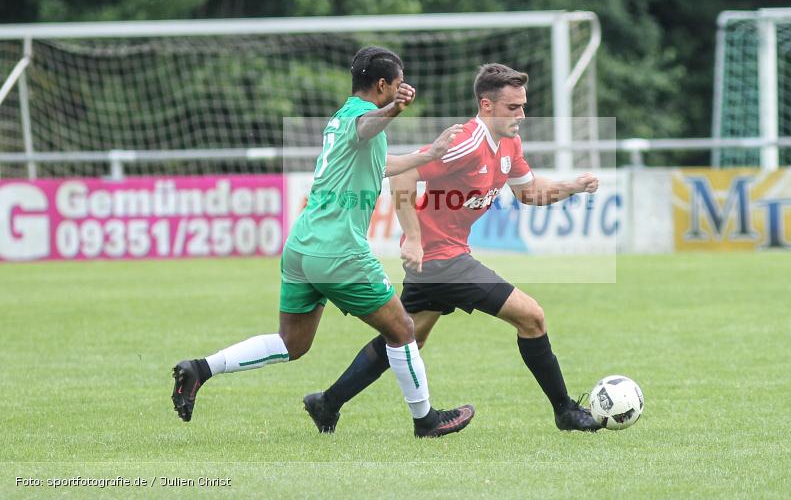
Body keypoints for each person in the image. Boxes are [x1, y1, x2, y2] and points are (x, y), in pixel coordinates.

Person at [171, 46, 475, 438]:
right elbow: (368, 126)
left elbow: (380, 163)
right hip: (338, 250)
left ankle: (200, 369)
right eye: (397, 85)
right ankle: (426, 419)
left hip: (301, 247)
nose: (402, 90)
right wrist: (394, 111)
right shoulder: (359, 118)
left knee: (292, 343)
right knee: (402, 329)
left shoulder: (339, 118)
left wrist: (430, 153)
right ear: (383, 85)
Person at [302, 63, 604, 434]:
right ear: (486, 105)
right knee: (532, 317)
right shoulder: (466, 141)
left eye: (523, 106)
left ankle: (327, 402)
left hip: (443, 257)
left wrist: (571, 186)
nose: (521, 115)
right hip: (441, 260)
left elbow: (527, 192)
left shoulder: (509, 142)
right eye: (513, 107)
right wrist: (413, 239)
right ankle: (565, 411)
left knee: (405, 336)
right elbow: (404, 176)